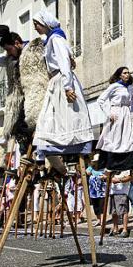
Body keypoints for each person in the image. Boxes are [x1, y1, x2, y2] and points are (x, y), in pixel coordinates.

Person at [32, 10, 93, 158]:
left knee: (65, 115)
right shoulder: (51, 40)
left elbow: (64, 62)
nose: (35, 28)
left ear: (45, 24)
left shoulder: (56, 39)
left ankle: (69, 145)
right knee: (53, 117)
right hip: (56, 80)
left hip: (61, 80)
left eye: (36, 24)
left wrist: (68, 87)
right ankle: (51, 146)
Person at [0, 27, 48, 151]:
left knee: (37, 125)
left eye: (9, 49)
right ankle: (26, 153)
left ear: (16, 43)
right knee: (19, 128)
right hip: (19, 99)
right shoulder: (10, 59)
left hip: (36, 95)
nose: (8, 53)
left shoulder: (33, 49)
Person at [96, 67, 133, 171]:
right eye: (124, 73)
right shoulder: (114, 86)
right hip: (116, 113)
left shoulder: (130, 87)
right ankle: (111, 164)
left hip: (127, 114)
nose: (127, 74)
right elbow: (100, 100)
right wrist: (109, 113)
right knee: (115, 138)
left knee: (128, 138)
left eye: (128, 73)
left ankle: (131, 164)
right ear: (120, 75)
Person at [109, 170, 132, 237]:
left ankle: (125, 230)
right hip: (113, 192)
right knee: (114, 212)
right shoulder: (113, 168)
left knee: (124, 211)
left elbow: (129, 177)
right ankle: (115, 228)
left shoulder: (126, 167)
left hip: (122, 192)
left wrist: (119, 180)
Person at [87, 156, 106, 227]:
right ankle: (98, 219)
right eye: (95, 162)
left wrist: (104, 177)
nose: (96, 163)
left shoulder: (103, 169)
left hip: (101, 191)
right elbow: (87, 172)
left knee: (102, 206)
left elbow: (107, 176)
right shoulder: (91, 169)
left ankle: (102, 220)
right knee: (96, 207)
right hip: (93, 192)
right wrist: (91, 167)